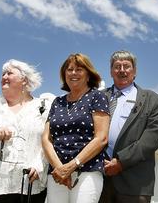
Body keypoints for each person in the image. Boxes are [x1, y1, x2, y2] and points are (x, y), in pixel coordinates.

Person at [0, 59, 56, 202]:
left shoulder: (42, 107)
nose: (4, 77)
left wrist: (40, 165)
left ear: (24, 80)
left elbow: (50, 140)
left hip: (29, 187)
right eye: (3, 74)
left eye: (9, 73)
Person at [42, 53, 109, 203]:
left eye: (79, 69)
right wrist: (60, 169)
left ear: (88, 75)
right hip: (57, 174)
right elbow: (46, 138)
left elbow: (101, 138)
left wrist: (72, 166)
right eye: (69, 69)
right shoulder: (57, 102)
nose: (73, 73)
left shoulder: (97, 97)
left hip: (87, 172)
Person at [99, 51, 158, 203]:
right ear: (111, 71)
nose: (122, 70)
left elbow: (151, 140)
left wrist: (121, 162)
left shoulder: (153, 100)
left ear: (134, 71)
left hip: (135, 183)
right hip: (99, 179)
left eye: (126, 66)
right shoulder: (98, 97)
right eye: (117, 66)